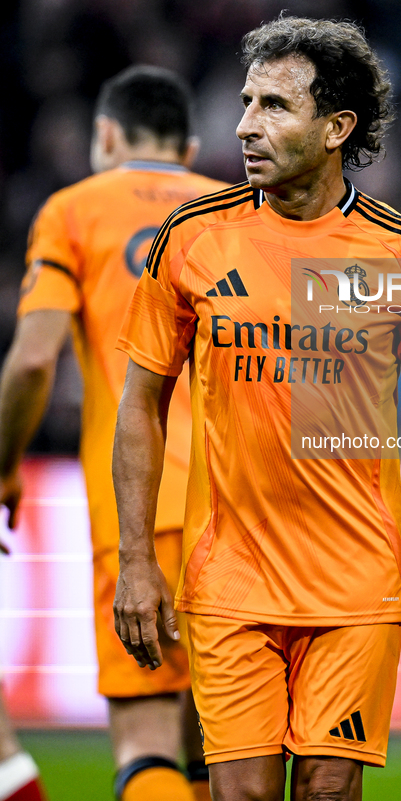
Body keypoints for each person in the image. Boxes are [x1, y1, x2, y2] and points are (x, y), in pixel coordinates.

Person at [112, 17, 401, 801]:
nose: (245, 124)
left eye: (274, 106)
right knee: (239, 794)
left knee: (326, 790)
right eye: (246, 102)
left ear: (336, 127)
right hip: (229, 578)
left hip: (356, 583)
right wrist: (136, 557)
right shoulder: (192, 239)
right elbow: (141, 403)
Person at [0, 65, 228, 801]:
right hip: (247, 505)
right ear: (188, 147)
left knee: (146, 734)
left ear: (104, 135)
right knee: (221, 747)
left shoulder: (72, 210)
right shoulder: (234, 212)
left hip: (144, 504)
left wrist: (4, 469)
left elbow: (34, 360)